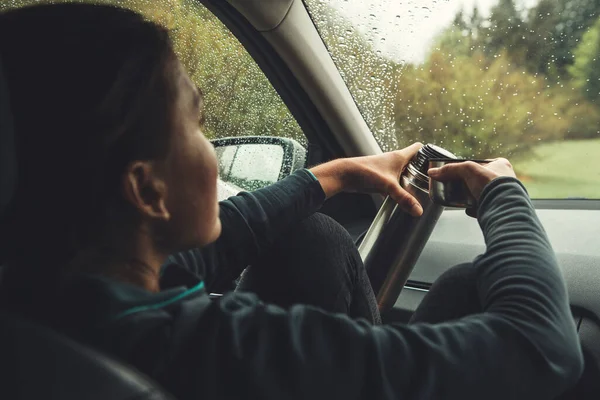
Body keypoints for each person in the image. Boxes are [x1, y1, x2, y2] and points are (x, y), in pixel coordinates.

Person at [0, 3, 583, 400]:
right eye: (198, 127)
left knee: (314, 237)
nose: (211, 148)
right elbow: (539, 348)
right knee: (468, 288)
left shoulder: (53, 298)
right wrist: (505, 194)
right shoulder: (215, 350)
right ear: (147, 191)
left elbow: (224, 239)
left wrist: (329, 177)